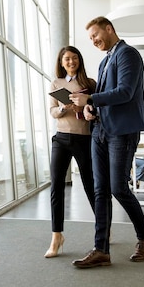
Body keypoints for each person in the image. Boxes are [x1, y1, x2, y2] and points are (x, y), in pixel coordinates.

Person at [69, 16, 144, 268]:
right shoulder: (104, 61)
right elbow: (103, 100)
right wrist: (90, 109)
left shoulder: (128, 54)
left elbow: (125, 92)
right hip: (100, 130)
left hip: (121, 131)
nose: (94, 40)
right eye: (90, 38)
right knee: (100, 190)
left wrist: (91, 99)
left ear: (109, 29)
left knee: (118, 188)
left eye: (96, 34)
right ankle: (101, 249)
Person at [45, 46, 96, 258]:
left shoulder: (90, 83)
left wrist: (82, 108)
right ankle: (56, 236)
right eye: (67, 59)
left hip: (84, 139)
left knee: (91, 186)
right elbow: (53, 112)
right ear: (61, 61)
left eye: (74, 58)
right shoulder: (56, 83)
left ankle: (104, 227)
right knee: (56, 186)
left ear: (79, 60)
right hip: (61, 139)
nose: (71, 61)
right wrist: (65, 108)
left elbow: (97, 110)